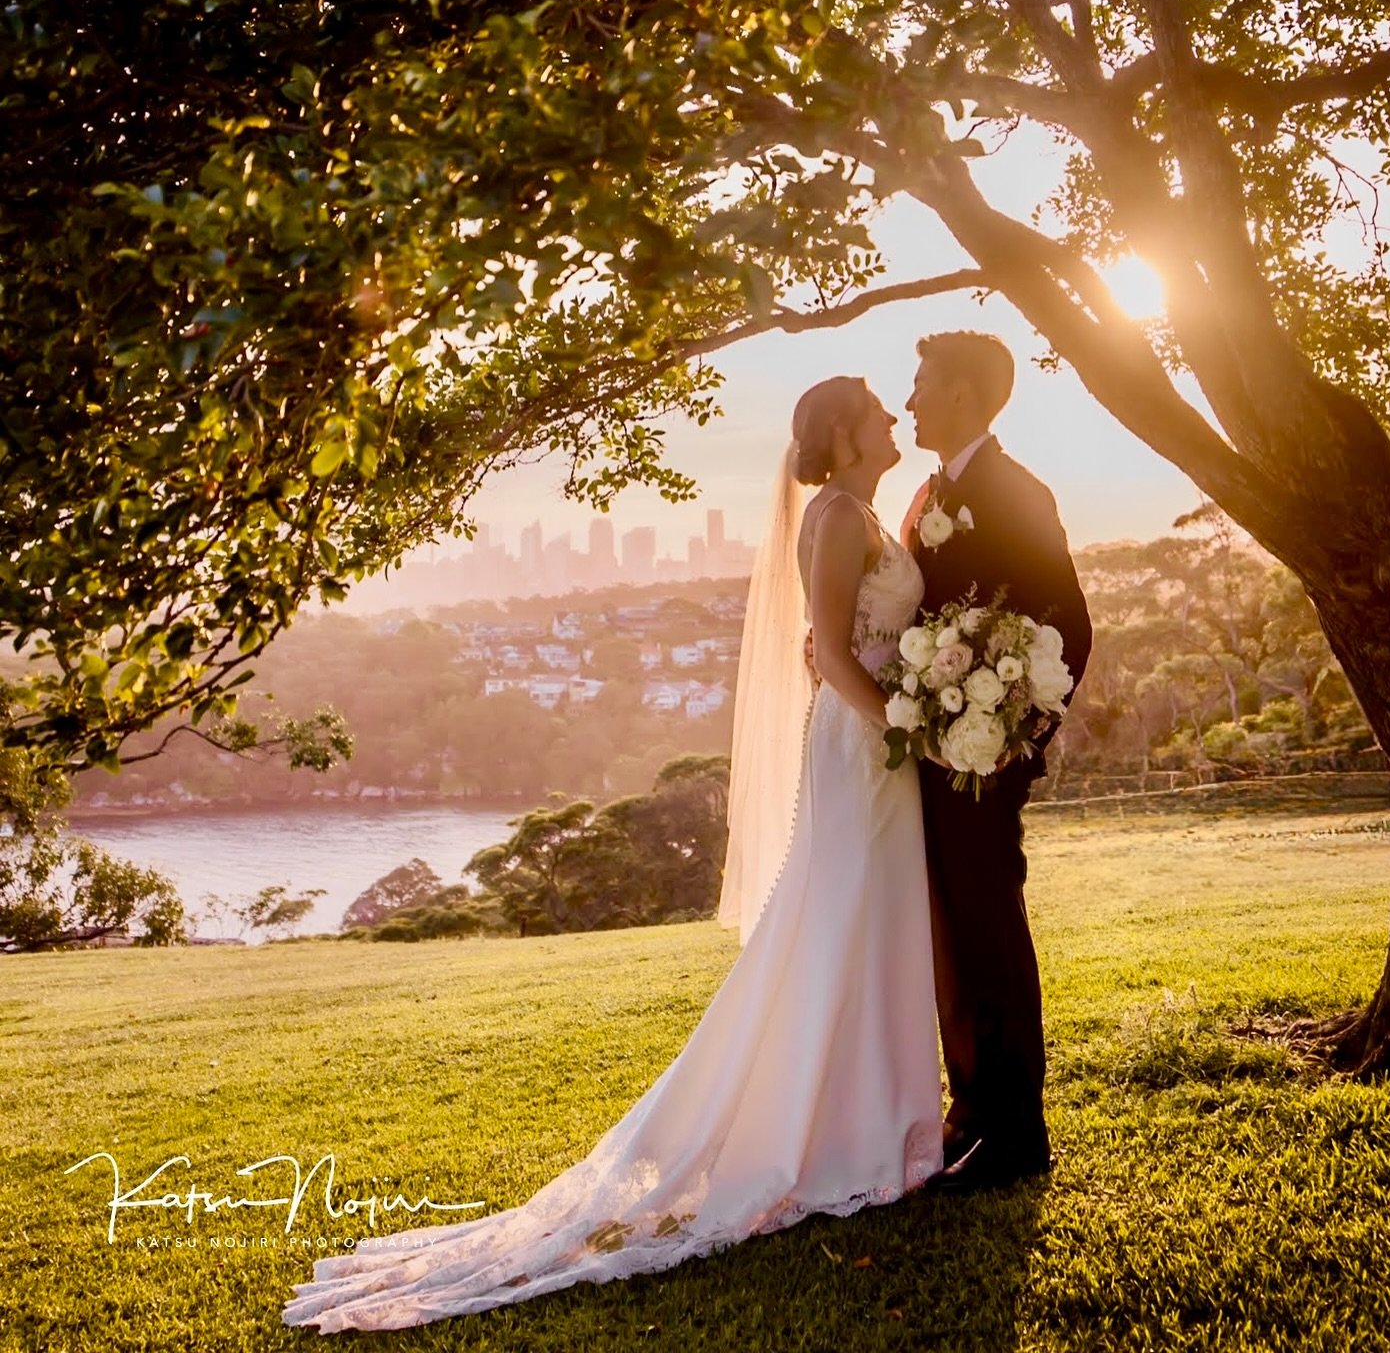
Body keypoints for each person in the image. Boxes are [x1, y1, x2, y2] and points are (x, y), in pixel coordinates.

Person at [282, 376, 942, 1334]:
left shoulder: (866, 514)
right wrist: (902, 730)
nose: (892, 420)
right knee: (842, 925)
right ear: (843, 435)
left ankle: (872, 1125)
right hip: (862, 746)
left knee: (872, 927)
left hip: (878, 743)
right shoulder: (838, 517)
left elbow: (843, 640)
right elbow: (834, 654)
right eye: (878, 411)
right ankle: (841, 1137)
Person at [901, 330, 1092, 1193]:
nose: (909, 400)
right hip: (934, 754)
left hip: (986, 759)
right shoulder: (929, 492)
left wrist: (1016, 739)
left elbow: (1069, 625)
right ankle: (972, 1114)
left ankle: (1019, 1135)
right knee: (954, 937)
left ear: (966, 397)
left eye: (922, 383)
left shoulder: (1015, 491)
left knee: (992, 934)